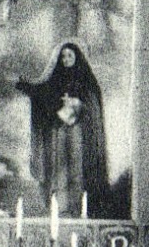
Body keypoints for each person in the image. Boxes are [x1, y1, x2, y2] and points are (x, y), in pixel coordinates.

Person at [20, 42, 109, 215]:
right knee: (59, 166)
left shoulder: (85, 79)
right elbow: (41, 95)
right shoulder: (55, 78)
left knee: (75, 167)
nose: (66, 59)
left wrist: (78, 104)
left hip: (77, 131)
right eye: (63, 56)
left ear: (77, 57)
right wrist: (26, 87)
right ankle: (59, 207)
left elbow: (93, 103)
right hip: (58, 129)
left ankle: (76, 207)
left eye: (70, 56)